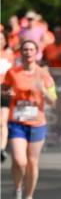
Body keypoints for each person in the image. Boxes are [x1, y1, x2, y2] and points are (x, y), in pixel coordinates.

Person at [2, 39, 57, 199]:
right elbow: (3, 90)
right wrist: (7, 93)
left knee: (33, 162)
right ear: (20, 52)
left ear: (37, 52)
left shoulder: (44, 74)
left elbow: (53, 101)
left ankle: (29, 197)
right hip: (17, 121)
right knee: (20, 161)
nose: (28, 52)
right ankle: (18, 189)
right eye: (25, 49)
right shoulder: (13, 72)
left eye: (31, 49)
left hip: (37, 123)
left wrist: (41, 90)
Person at [1, 30, 14, 161]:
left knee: (3, 121)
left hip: (5, 89)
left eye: (1, 39)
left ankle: (2, 149)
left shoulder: (10, 55)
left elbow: (14, 73)